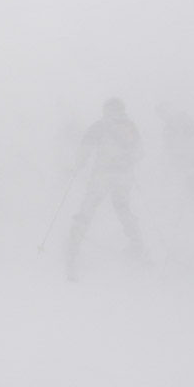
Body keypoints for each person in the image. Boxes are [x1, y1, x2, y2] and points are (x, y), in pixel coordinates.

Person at [66, 98, 146, 281]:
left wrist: (78, 165)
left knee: (88, 208)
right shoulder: (131, 126)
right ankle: (137, 244)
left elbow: (85, 148)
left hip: (101, 175)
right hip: (124, 177)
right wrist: (127, 163)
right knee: (123, 208)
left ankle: (73, 247)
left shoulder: (100, 126)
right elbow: (140, 152)